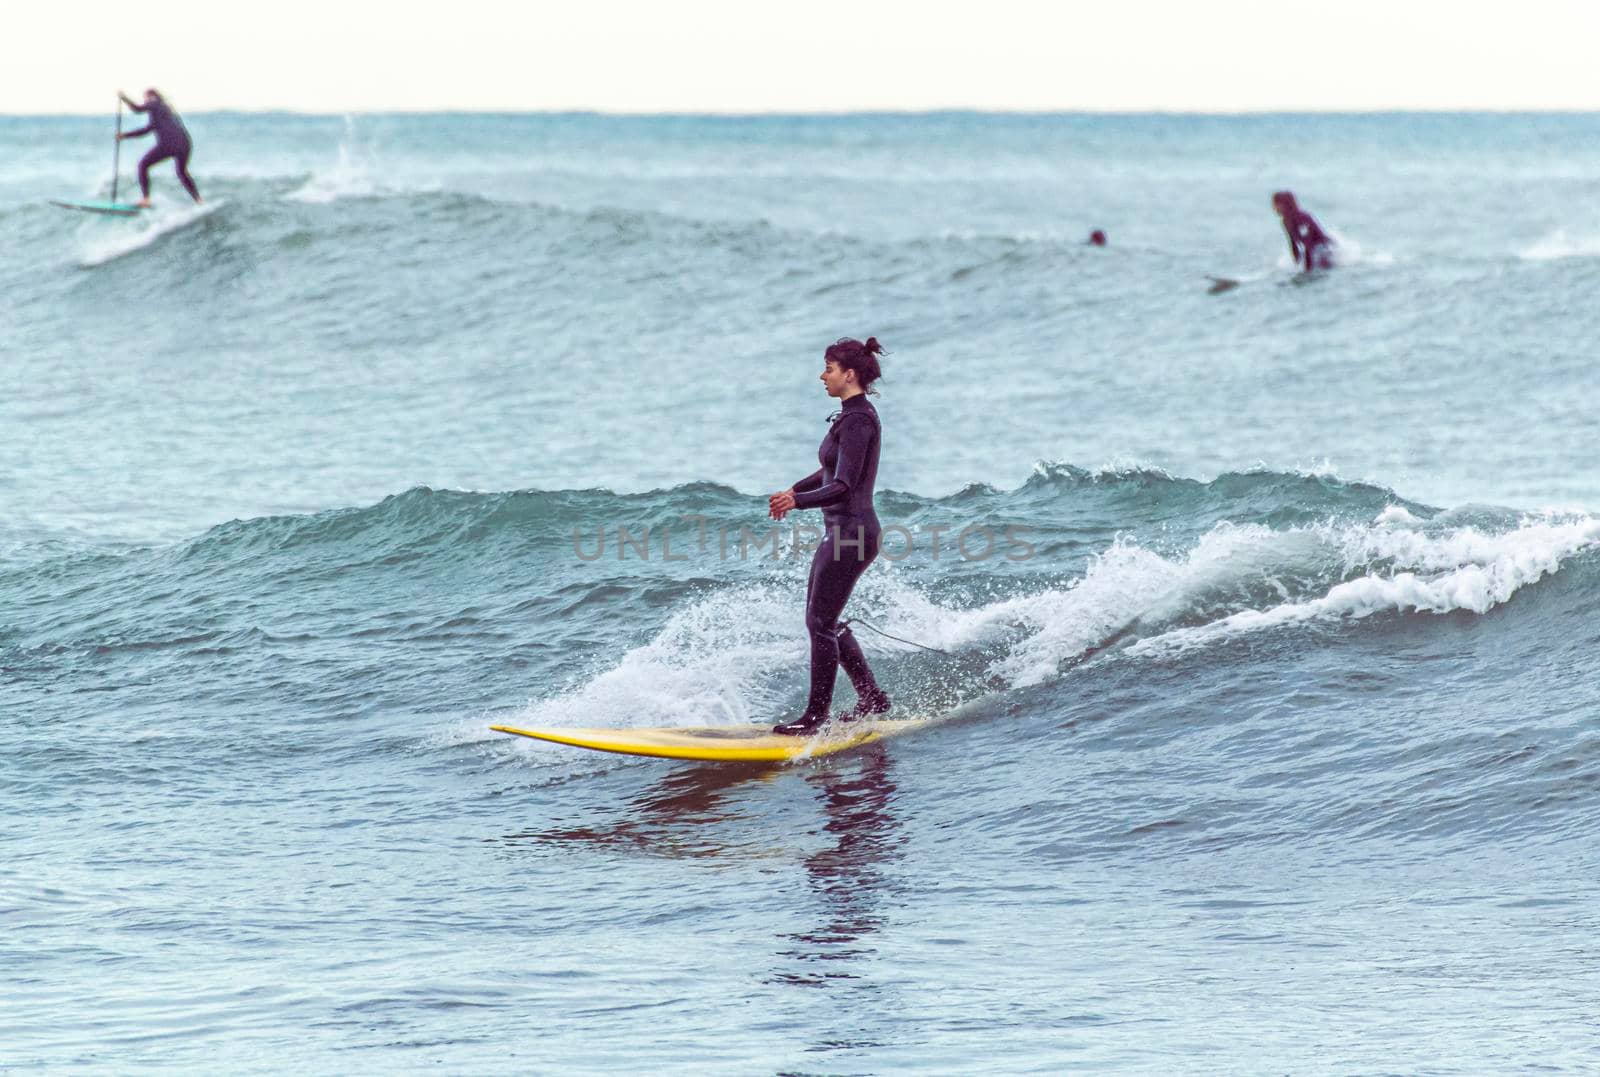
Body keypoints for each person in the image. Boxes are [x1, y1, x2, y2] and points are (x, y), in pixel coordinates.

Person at [767, 337, 893, 736]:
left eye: (828, 368)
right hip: (843, 533)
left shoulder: (858, 421)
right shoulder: (849, 417)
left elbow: (843, 485)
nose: (823, 376)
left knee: (820, 623)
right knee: (826, 621)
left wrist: (797, 503)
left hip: (852, 534)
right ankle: (871, 698)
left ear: (849, 374)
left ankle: (813, 719)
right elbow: (829, 472)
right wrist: (794, 490)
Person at [117, 89, 202, 207]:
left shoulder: (154, 102)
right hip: (185, 144)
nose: (145, 102)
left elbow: (137, 109)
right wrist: (125, 135)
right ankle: (198, 200)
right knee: (182, 172)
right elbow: (146, 130)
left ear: (151, 96)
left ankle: (146, 199)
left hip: (169, 144)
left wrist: (124, 98)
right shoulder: (165, 110)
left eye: (145, 98)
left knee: (143, 164)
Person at [1271, 190, 1332, 271]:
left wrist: (1307, 272)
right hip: (1314, 250)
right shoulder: (1285, 221)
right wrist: (1295, 264)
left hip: (1325, 248)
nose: (1274, 207)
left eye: (1276, 204)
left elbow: (1308, 245)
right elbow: (1293, 243)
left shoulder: (1301, 218)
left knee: (1322, 267)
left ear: (1285, 205)